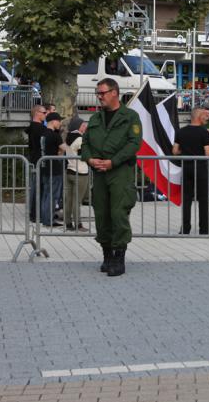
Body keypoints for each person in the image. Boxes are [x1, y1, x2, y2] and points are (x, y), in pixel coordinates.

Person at [81, 78, 143, 276]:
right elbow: (85, 143)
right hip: (99, 173)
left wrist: (112, 162)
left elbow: (134, 144)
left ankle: (119, 257)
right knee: (101, 213)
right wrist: (90, 159)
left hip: (119, 172)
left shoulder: (130, 117)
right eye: (98, 93)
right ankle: (107, 255)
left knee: (118, 213)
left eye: (103, 93)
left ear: (114, 92)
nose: (99, 97)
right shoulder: (95, 118)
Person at [174, 108, 209, 235]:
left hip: (186, 167)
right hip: (200, 168)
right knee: (203, 199)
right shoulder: (204, 132)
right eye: (204, 116)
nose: (206, 118)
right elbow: (208, 153)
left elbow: (175, 151)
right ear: (198, 116)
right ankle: (204, 228)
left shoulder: (181, 131)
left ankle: (185, 229)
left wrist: (185, 151)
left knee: (186, 199)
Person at [40, 112, 67, 227]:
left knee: (46, 194)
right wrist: (60, 151)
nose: (60, 123)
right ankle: (48, 220)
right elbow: (64, 149)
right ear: (53, 121)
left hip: (45, 167)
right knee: (53, 195)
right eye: (59, 121)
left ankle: (44, 218)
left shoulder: (43, 134)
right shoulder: (55, 135)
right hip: (54, 169)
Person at [64, 117, 90, 232]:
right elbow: (84, 154)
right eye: (83, 125)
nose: (85, 127)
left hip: (70, 170)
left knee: (69, 199)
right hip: (80, 172)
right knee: (77, 200)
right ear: (78, 126)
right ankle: (78, 225)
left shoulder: (68, 137)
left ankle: (68, 224)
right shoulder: (80, 139)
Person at [25, 105, 47, 222]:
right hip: (39, 160)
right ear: (37, 113)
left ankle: (35, 213)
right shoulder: (38, 128)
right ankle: (35, 214)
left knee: (37, 188)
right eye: (44, 113)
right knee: (39, 188)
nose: (45, 115)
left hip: (36, 159)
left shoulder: (34, 127)